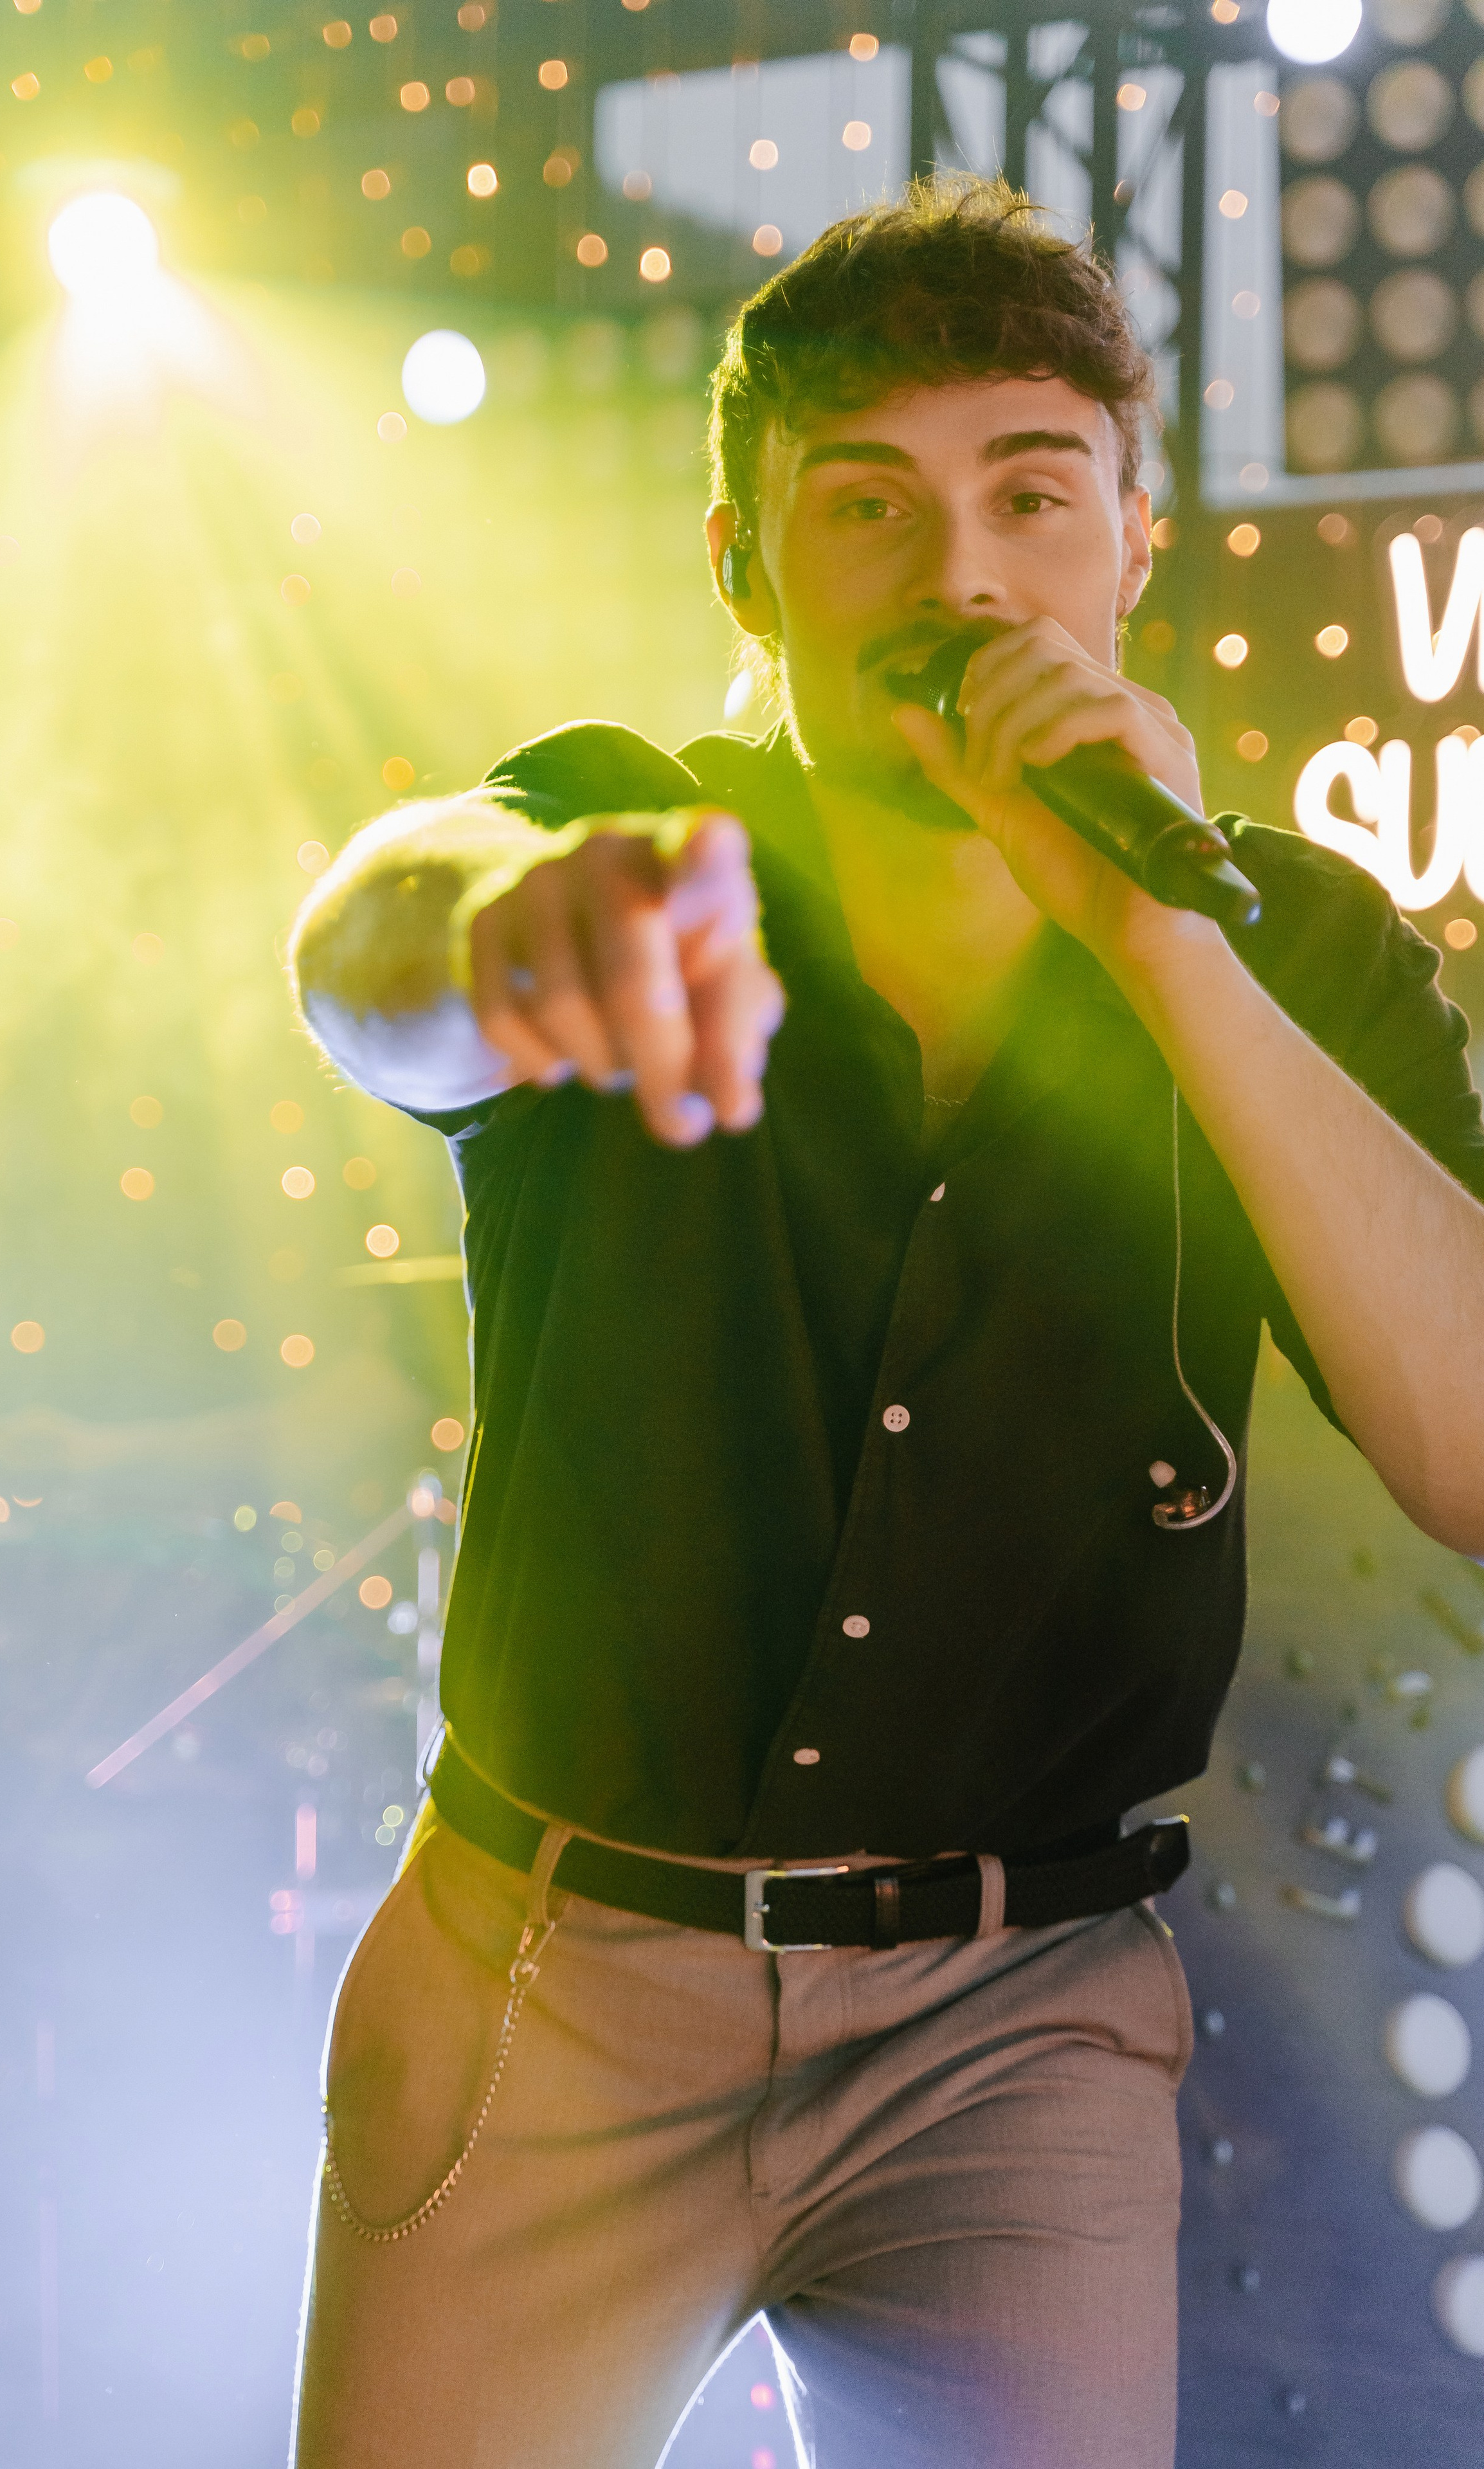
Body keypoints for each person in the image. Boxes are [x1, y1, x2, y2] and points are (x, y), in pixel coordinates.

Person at [285, 177, 1484, 2469]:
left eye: (1030, 494)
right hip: (550, 1981)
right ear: (747, 574)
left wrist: (1157, 942)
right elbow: (376, 946)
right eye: (867, 507)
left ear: (1134, 540)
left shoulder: (1288, 950)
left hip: (1018, 2022)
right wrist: (520, 919)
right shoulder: (628, 838)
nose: (957, 580)